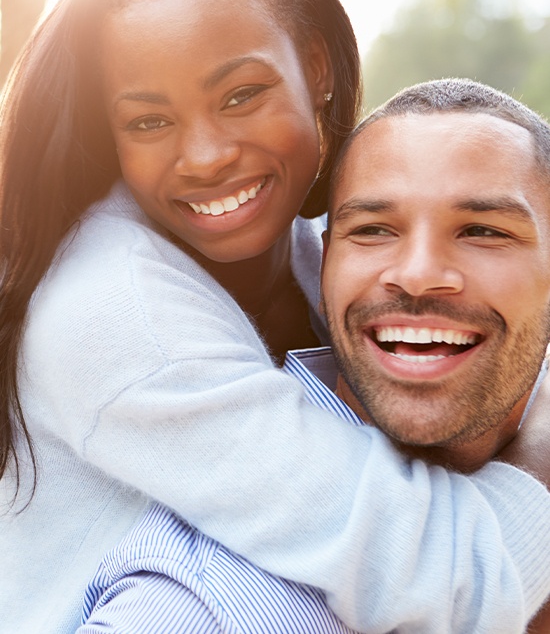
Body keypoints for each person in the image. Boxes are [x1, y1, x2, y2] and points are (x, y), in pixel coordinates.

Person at [0, 0, 548, 627]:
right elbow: (440, 574)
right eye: (149, 120)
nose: (204, 156)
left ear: (316, 65)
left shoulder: (308, 247)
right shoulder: (115, 311)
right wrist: (540, 445)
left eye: (241, 95)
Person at [76, 78, 550, 633]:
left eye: (482, 231)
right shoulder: (203, 604)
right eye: (373, 230)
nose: (418, 273)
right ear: (325, 266)